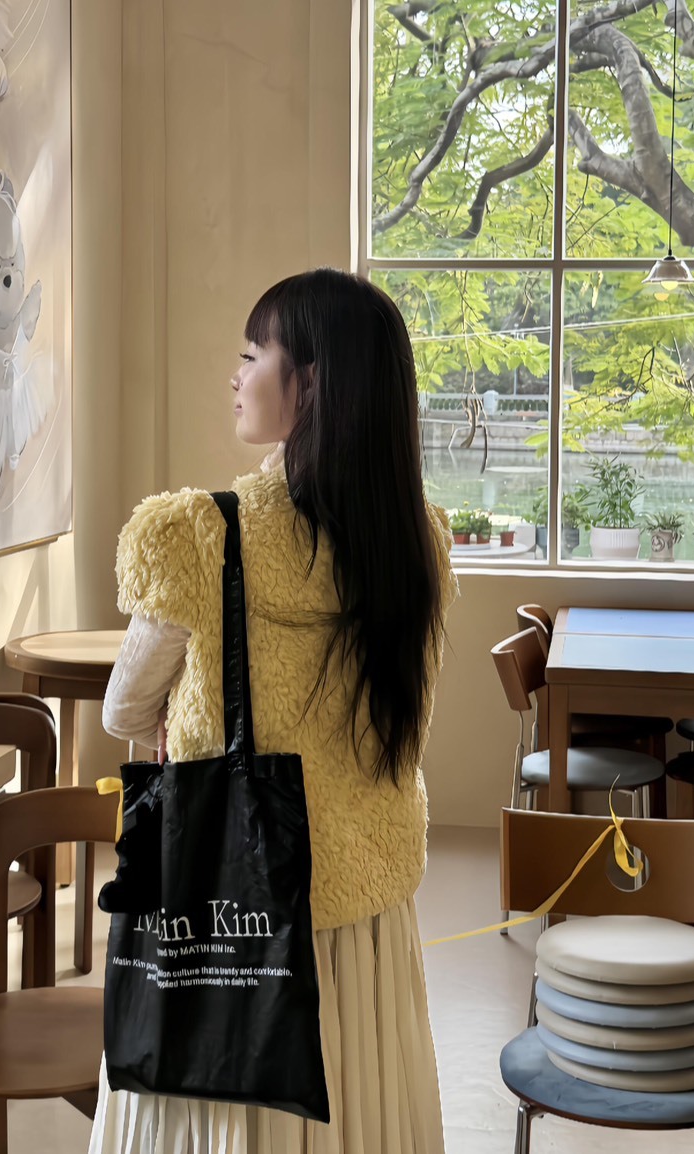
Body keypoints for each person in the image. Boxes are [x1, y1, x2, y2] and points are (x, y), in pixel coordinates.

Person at [90, 268, 457, 1154]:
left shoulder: (198, 534)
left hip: (236, 911)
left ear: (311, 384)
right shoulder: (415, 540)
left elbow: (123, 709)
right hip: (365, 913)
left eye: (255, 354)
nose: (237, 374)